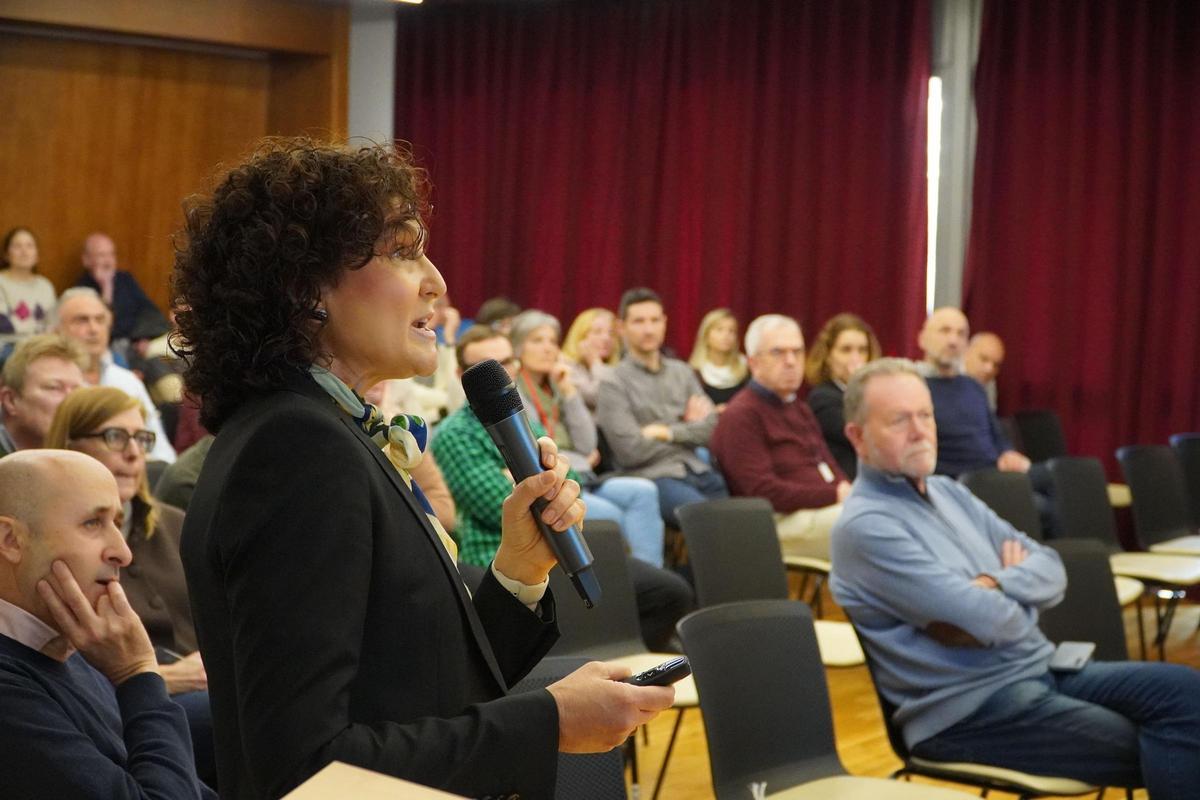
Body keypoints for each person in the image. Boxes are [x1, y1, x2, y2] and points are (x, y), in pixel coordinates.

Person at [172, 137, 673, 799]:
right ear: (306, 287)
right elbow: (305, 768)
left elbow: (422, 690)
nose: (437, 281)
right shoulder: (296, 448)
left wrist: (519, 572)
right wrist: (548, 720)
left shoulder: (322, 430)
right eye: (404, 252)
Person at [830, 358, 1200, 797]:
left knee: (1188, 694)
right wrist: (1012, 593)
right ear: (857, 436)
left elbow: (1050, 567)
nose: (920, 430)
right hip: (970, 711)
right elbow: (990, 621)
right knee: (1164, 742)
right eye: (899, 420)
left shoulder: (949, 492)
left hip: (1040, 668)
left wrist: (998, 584)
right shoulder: (866, 526)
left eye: (925, 415)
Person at [434, 327, 691, 651]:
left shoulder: (522, 419)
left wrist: (526, 481)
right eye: (491, 364)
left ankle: (619, 665)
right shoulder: (454, 434)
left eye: (508, 362)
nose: (505, 372)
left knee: (670, 591)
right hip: (500, 557)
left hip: (559, 545)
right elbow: (494, 504)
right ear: (460, 375)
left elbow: (575, 484)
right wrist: (536, 485)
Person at [0, 449, 214, 799]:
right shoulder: (8, 691)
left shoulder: (71, 640)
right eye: (93, 523)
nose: (122, 552)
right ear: (10, 540)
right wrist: (137, 672)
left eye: (117, 522)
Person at [45, 385, 215, 786]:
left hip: (197, 687)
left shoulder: (175, 523)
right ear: (69, 446)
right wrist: (161, 677)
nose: (134, 453)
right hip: (130, 704)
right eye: (114, 436)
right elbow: (68, 670)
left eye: (142, 438)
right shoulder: (59, 546)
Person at [509, 310, 665, 567]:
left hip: (586, 475)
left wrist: (569, 393)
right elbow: (537, 444)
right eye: (537, 341)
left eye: (552, 341)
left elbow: (588, 443)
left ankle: (650, 574)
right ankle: (630, 583)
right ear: (518, 348)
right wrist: (575, 457)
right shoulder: (515, 389)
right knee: (612, 516)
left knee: (643, 491)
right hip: (558, 480)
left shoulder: (559, 384)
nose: (547, 348)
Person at [711, 315, 849, 560]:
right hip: (776, 525)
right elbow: (761, 492)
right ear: (754, 363)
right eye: (778, 353)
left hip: (821, 512)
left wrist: (843, 489)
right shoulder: (742, 414)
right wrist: (834, 495)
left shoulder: (799, 407)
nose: (791, 361)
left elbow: (827, 464)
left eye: (797, 352)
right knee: (869, 524)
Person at [596, 288, 727, 528]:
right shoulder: (613, 382)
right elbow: (630, 450)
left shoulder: (682, 372)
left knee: (743, 524)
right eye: (639, 321)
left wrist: (666, 432)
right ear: (622, 327)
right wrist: (689, 429)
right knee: (710, 526)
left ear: (664, 322)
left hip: (698, 470)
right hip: (655, 476)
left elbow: (713, 429)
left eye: (655, 320)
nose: (649, 329)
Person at [54, 288, 176, 463]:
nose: (93, 329)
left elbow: (161, 451)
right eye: (82, 320)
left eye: (100, 320)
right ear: (57, 330)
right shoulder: (53, 385)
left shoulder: (127, 382)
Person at [917, 307, 1028, 477]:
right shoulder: (913, 386)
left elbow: (997, 436)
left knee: (1064, 476)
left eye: (961, 334)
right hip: (956, 482)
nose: (953, 341)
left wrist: (1008, 453)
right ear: (922, 339)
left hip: (997, 473)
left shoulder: (974, 387)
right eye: (944, 331)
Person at [804, 312, 882, 479]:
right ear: (828, 356)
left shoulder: (875, 393)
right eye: (846, 350)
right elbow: (865, 435)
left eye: (862, 350)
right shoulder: (822, 398)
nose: (856, 358)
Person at [76, 232, 168, 347]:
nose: (108, 261)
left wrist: (145, 337)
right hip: (109, 346)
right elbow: (100, 328)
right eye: (101, 255)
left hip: (137, 342)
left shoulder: (125, 279)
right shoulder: (80, 290)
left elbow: (148, 309)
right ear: (86, 260)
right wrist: (107, 287)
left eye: (111, 255)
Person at [0, 334, 86, 456]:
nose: (71, 400)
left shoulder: (86, 456)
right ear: (10, 400)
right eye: (54, 388)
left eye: (77, 390)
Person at [0, 227, 57, 343]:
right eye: (17, 246)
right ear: (6, 254)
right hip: (7, 346)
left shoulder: (45, 286)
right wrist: (38, 329)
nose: (24, 252)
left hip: (40, 345)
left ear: (37, 255)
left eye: (29, 246)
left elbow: (53, 323)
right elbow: (4, 325)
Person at [561, 307, 619, 413]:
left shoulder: (615, 368)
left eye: (611, 333)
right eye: (597, 332)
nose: (606, 338)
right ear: (580, 337)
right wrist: (595, 362)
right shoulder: (566, 366)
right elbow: (599, 398)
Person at [687, 308, 749, 407]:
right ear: (706, 335)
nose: (726, 335)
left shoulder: (746, 368)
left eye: (731, 331)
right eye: (719, 330)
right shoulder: (694, 373)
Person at [964, 331, 1006, 412]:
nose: (989, 369)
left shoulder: (989, 382)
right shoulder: (948, 375)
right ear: (967, 352)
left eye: (996, 365)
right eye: (984, 359)